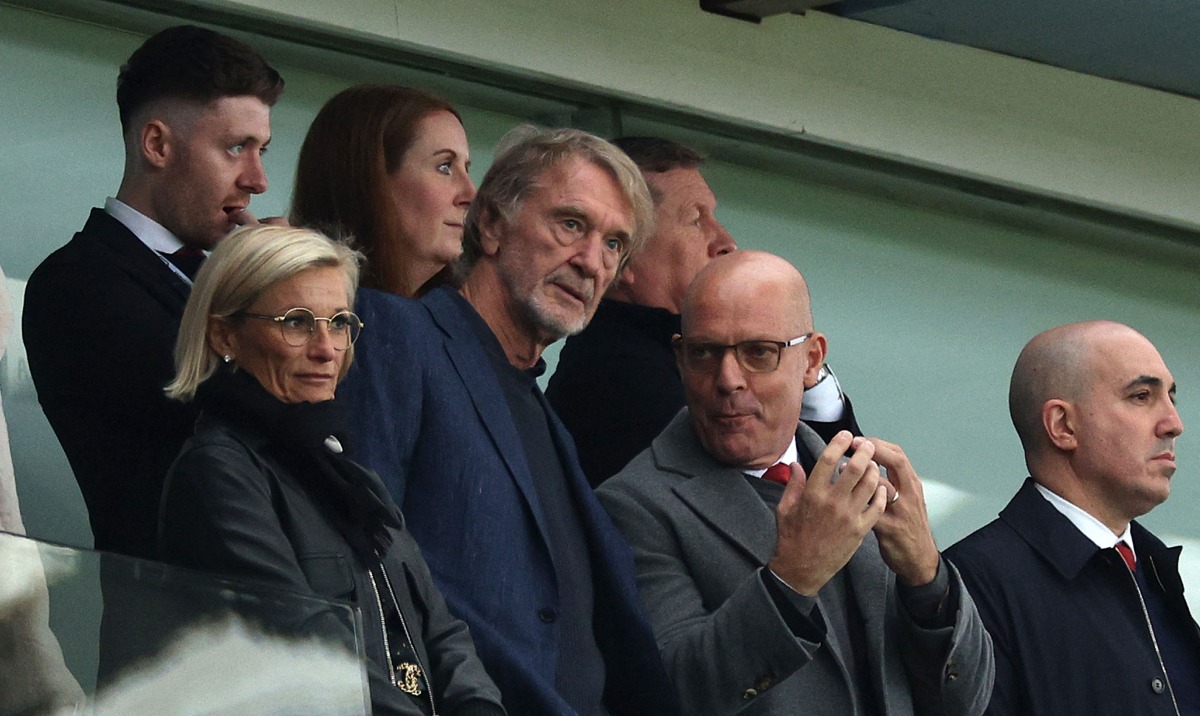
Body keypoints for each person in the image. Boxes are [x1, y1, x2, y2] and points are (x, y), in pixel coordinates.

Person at [339, 126, 679, 715]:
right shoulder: (399, 334)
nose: (590, 262)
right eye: (571, 224)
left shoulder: (548, 420)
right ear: (492, 224)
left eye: (614, 244)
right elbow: (361, 564)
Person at [597, 251, 993, 715]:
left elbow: (967, 701)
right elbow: (671, 693)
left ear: (811, 360)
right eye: (704, 352)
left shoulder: (860, 484)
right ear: (680, 359)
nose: (727, 379)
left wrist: (929, 579)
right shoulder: (632, 505)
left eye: (758, 353)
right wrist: (792, 577)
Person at [157, 224, 506, 716]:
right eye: (297, 323)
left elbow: (444, 633)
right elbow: (307, 652)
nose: (326, 348)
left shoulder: (349, 476)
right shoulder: (218, 472)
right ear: (224, 334)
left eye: (339, 323)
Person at [22, 25, 284, 560]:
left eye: (261, 150)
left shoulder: (216, 274)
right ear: (157, 144)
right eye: (236, 148)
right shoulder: (76, 283)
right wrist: (279, 295)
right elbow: (242, 411)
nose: (258, 179)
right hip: (176, 602)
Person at [547, 136, 860, 486]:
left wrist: (804, 369)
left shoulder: (643, 354)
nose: (725, 242)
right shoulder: (619, 380)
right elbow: (778, 505)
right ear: (625, 253)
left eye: (759, 352)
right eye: (696, 220)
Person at [944, 321, 1200, 715]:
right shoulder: (971, 584)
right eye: (1141, 396)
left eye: (1171, 397)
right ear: (1063, 426)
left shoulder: (1154, 570)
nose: (1173, 424)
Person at [291, 84, 475, 298]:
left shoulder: (460, 312)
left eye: (466, 168)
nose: (471, 195)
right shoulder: (303, 309)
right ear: (370, 178)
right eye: (445, 166)